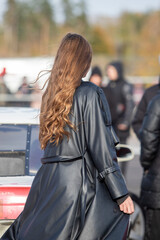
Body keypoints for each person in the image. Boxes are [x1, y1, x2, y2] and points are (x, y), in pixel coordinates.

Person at [1, 33, 134, 240]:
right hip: (77, 185)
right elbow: (101, 148)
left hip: (46, 183)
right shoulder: (90, 93)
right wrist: (121, 193)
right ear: (83, 60)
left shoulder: (51, 95)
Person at [103, 61, 134, 177]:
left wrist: (126, 122)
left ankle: (123, 178)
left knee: (123, 152)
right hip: (111, 125)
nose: (109, 73)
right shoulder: (108, 85)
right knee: (111, 152)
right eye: (108, 71)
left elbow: (130, 105)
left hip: (122, 125)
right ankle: (113, 177)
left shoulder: (125, 85)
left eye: (111, 70)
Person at [139, 92, 160, 240]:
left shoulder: (157, 101)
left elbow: (148, 139)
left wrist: (146, 164)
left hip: (157, 182)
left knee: (153, 232)